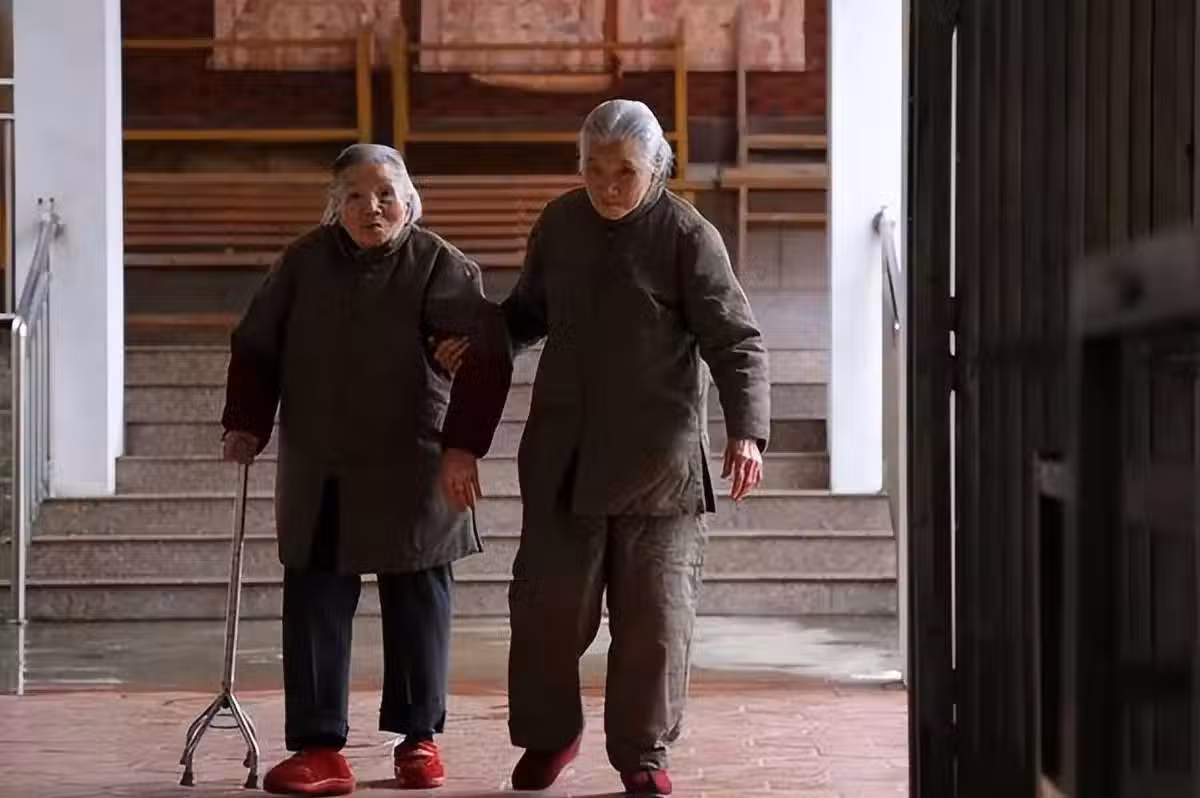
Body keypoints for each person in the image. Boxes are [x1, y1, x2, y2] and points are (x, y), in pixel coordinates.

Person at [435, 99, 771, 797]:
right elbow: (528, 312)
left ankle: (642, 752)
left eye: (625, 172)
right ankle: (550, 736)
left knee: (655, 621)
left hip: (659, 467)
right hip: (564, 459)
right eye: (594, 169)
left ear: (657, 168)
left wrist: (747, 431)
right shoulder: (560, 224)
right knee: (546, 612)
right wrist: (481, 338)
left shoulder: (687, 235)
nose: (609, 186)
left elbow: (735, 340)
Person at [220, 143, 489, 795]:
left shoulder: (439, 263)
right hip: (325, 461)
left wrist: (460, 360)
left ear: (409, 201)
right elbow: (256, 344)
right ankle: (319, 748)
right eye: (357, 196)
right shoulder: (302, 263)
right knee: (315, 595)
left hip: (413, 459)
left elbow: (481, 349)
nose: (373, 207)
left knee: (419, 594)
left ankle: (418, 739)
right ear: (335, 206)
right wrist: (246, 420)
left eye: (386, 194)